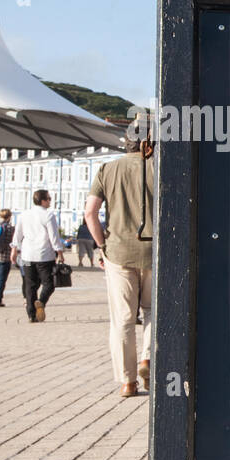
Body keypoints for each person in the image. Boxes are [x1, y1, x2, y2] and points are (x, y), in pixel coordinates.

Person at [86, 117, 155, 397]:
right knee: (153, 312)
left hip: (118, 252)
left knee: (123, 319)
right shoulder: (158, 168)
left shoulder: (107, 169)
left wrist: (102, 245)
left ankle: (128, 382)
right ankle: (147, 359)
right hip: (155, 250)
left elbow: (90, 213)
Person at [9, 190, 64, 323]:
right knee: (49, 284)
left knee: (30, 285)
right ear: (43, 200)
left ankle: (31, 315)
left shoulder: (24, 215)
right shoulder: (48, 215)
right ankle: (41, 301)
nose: (50, 201)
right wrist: (60, 252)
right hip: (44, 256)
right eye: (49, 199)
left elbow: (18, 233)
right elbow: (54, 236)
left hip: (27, 256)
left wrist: (14, 250)